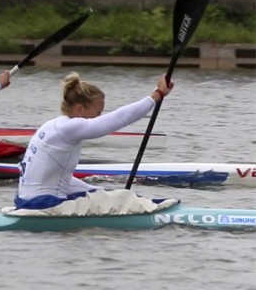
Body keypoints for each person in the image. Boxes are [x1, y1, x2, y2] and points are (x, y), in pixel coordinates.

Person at [15, 72, 173, 209]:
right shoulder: (69, 128)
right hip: (45, 204)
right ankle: (158, 209)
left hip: (24, 200)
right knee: (122, 200)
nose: (99, 118)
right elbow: (120, 118)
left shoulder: (50, 126)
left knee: (111, 196)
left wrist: (102, 193)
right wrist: (156, 95)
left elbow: (62, 180)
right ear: (79, 109)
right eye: (98, 113)